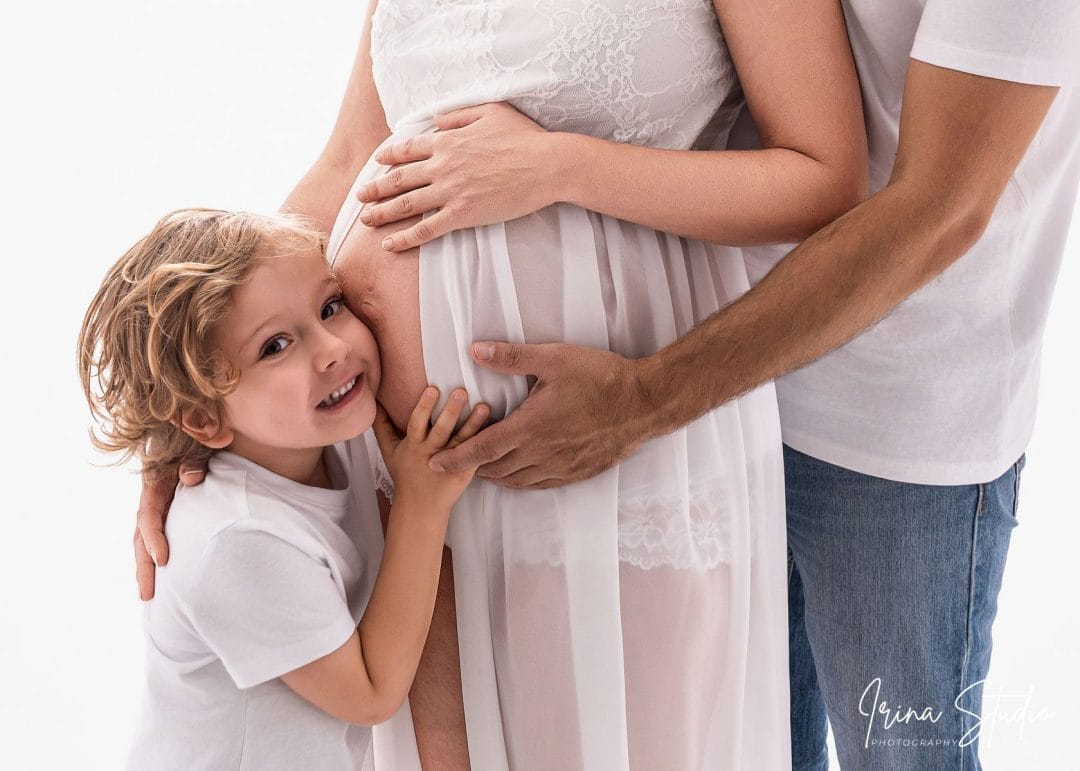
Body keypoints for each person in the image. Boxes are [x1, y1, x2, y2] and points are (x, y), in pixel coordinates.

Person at [131, 1, 869, 767]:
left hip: (609, 436)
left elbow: (824, 180)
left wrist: (559, 166)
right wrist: (196, 401)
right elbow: (352, 153)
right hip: (403, 473)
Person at [376, 1, 1079, 768]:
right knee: (748, 745)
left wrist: (642, 399)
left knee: (904, 755)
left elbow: (939, 210)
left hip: (889, 422)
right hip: (710, 377)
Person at [78, 208, 488, 770]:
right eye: (275, 346)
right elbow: (370, 693)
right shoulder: (238, 538)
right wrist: (421, 505)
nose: (332, 349)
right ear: (202, 420)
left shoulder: (315, 437)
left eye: (329, 307)